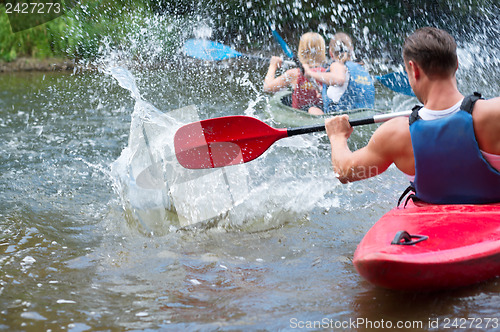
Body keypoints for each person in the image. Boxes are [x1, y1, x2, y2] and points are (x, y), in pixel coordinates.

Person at [325, 27, 500, 204]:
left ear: (413, 69)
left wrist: (337, 136)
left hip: (432, 229)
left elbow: (344, 172)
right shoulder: (493, 114)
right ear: (456, 63)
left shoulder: (396, 134)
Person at [303, 32, 375, 115]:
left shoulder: (337, 64)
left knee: (312, 109)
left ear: (330, 52)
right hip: (366, 117)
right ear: (351, 50)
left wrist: (310, 73)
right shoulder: (362, 69)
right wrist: (324, 94)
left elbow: (339, 79)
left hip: (344, 121)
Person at [263, 32, 326, 112]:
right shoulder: (328, 71)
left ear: (301, 50)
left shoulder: (294, 74)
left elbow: (267, 87)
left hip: (300, 116)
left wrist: (273, 65)